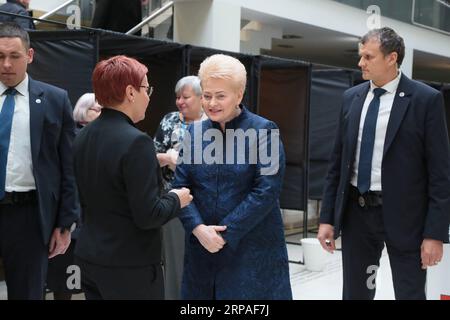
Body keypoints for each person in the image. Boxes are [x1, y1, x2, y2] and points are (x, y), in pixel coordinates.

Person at [318, 27, 450, 300]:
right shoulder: (350, 98)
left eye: (368, 56)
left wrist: (435, 234)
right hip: (358, 214)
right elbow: (337, 163)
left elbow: (441, 173)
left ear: (392, 58)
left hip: (407, 219)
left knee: (410, 293)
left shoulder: (425, 100)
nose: (360, 63)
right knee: (356, 293)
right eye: (361, 56)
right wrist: (327, 218)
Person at [172, 54, 292, 299]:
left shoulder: (263, 131)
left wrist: (225, 233)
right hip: (202, 250)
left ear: (239, 95)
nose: (212, 103)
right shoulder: (193, 133)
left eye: (220, 96)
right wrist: (197, 228)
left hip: (251, 250)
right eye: (207, 95)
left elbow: (266, 191)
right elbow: (180, 187)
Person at [73, 55, 193, 300]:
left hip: (90, 257)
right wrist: (176, 198)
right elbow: (149, 214)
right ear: (130, 92)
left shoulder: (83, 136)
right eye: (146, 89)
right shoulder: (136, 142)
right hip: (129, 265)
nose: (148, 96)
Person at [0, 22, 78, 300]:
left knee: (28, 293)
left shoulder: (54, 100)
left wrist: (66, 223)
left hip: (30, 217)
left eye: (15, 56)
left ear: (30, 56)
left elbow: (68, 166)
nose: (7, 64)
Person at [154, 75, 206, 300]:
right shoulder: (169, 121)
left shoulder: (212, 122)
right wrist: (167, 157)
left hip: (205, 201)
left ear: (201, 97)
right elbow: (151, 156)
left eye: (185, 97)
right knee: (175, 259)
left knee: (204, 258)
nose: (180, 102)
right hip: (173, 199)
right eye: (177, 98)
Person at [46, 93, 101, 300]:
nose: (102, 113)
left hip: (90, 218)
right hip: (75, 215)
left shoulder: (98, 136)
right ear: (83, 110)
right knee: (66, 278)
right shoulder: (74, 137)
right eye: (97, 109)